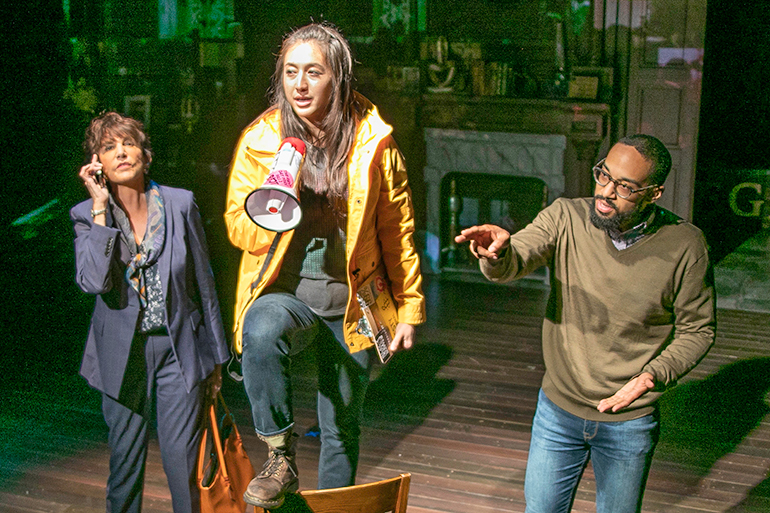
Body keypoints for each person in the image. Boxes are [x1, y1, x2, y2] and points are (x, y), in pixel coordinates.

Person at [455, 134, 716, 513]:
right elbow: (517, 258)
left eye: (625, 187)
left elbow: (699, 329)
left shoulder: (686, 246)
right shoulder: (566, 216)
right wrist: (498, 252)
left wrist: (652, 376)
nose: (606, 192)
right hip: (558, 409)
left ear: (654, 193)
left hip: (630, 420)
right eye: (603, 176)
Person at [224, 22, 426, 509]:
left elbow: (397, 231)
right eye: (290, 72)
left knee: (341, 425)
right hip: (287, 291)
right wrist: (273, 209)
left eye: (313, 72)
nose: (300, 84)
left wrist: (410, 307)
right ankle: (280, 455)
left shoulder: (374, 141)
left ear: (338, 77)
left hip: (355, 301)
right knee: (260, 328)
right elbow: (237, 228)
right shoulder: (262, 139)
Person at [71, 112, 230, 513]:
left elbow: (204, 285)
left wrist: (216, 359)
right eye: (109, 147)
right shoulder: (86, 215)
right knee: (124, 468)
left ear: (146, 153)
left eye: (129, 143)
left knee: (185, 470)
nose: (121, 152)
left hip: (179, 351)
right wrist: (100, 209)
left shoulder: (180, 204)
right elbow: (93, 282)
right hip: (122, 356)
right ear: (97, 165)